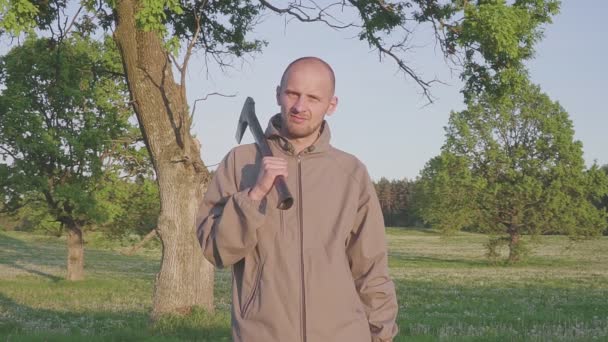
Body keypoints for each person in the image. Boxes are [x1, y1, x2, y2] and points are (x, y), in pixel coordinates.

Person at [196, 57, 398, 342]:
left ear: (332, 105)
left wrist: (382, 336)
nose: (300, 107)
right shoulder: (240, 163)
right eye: (293, 93)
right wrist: (253, 196)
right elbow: (216, 250)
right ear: (278, 93)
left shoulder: (351, 173)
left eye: (314, 98)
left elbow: (371, 269)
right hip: (262, 334)